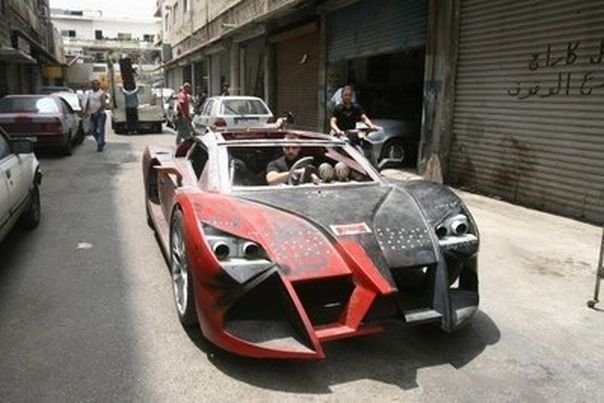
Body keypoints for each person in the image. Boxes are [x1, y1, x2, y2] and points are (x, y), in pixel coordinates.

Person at [84, 79, 107, 152]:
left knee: (100, 130)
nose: (93, 86)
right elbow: (88, 102)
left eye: (95, 84)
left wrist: (97, 112)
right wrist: (86, 111)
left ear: (98, 85)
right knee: (92, 130)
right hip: (92, 114)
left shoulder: (101, 93)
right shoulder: (90, 93)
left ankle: (100, 145)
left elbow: (103, 104)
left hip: (100, 114)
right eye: (92, 84)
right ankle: (101, 142)